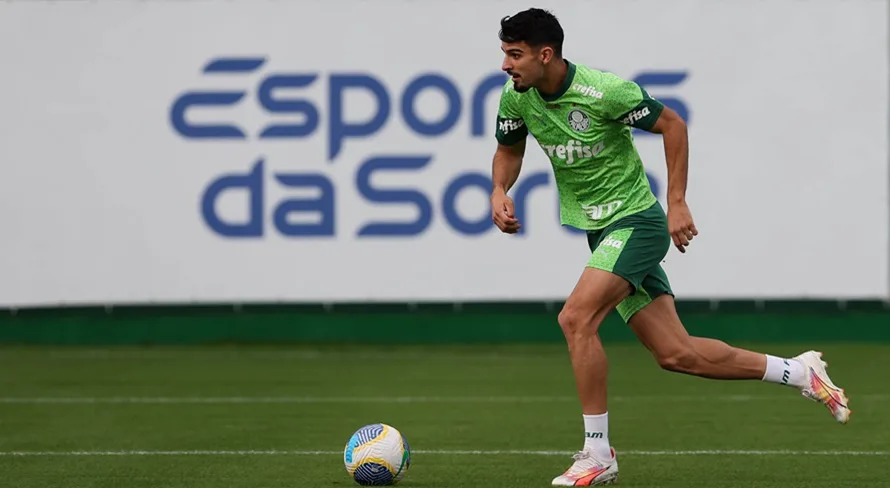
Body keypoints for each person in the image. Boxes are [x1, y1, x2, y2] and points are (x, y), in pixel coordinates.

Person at [489, 8, 851, 487]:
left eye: (515, 55)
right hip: (603, 233)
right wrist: (499, 190)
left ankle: (598, 455)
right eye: (504, 55)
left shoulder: (603, 90)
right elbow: (509, 151)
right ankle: (801, 373)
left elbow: (673, 125)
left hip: (636, 223)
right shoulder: (517, 98)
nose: (505, 65)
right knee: (678, 354)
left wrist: (676, 201)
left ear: (545, 54)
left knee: (575, 319)